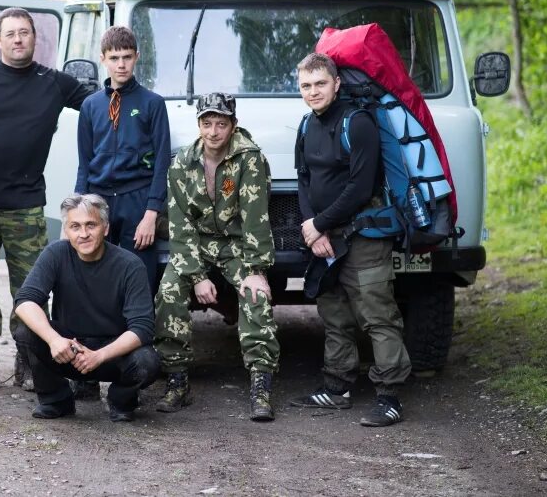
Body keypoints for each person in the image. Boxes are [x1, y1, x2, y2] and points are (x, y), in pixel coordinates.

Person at [0, 8, 93, 391]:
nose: (17, 39)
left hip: (26, 205)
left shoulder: (55, 83)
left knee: (29, 288)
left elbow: (100, 106)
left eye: (24, 33)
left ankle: (28, 356)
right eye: (10, 34)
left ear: (34, 39)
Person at [292, 52, 411, 427]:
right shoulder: (306, 126)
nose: (314, 92)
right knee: (335, 312)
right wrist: (313, 227)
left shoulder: (357, 123)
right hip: (326, 238)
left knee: (377, 315)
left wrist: (321, 224)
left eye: (320, 84)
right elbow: (304, 180)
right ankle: (337, 387)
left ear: (337, 83)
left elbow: (361, 187)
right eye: (306, 86)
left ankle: (389, 397)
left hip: (364, 234)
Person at [153, 93, 280, 422]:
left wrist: (256, 270)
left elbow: (257, 220)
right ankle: (177, 381)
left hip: (237, 244)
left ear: (233, 126)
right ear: (198, 126)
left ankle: (261, 385)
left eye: (221, 124)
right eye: (207, 124)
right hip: (196, 244)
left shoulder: (250, 158)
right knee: (167, 292)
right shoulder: (182, 162)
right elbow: (180, 227)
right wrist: (197, 277)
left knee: (256, 295)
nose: (213, 132)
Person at [13, 194, 160, 422]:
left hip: (113, 354)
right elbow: (24, 301)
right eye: (75, 226)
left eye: (91, 225)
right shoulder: (56, 254)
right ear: (67, 230)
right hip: (68, 349)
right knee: (26, 331)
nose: (83, 234)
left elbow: (142, 328)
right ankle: (56, 400)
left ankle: (121, 401)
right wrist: (54, 340)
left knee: (147, 361)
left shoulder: (130, 265)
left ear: (106, 228)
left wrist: (99, 356)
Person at [75, 25, 170, 294]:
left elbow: (162, 163)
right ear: (102, 58)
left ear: (136, 57)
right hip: (99, 201)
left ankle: (140, 336)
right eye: (114, 58)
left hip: (137, 202)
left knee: (138, 279)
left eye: (127, 57)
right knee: (97, 278)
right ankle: (101, 335)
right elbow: (85, 162)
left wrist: (151, 214)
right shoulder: (91, 106)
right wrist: (80, 209)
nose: (121, 65)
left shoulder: (152, 103)